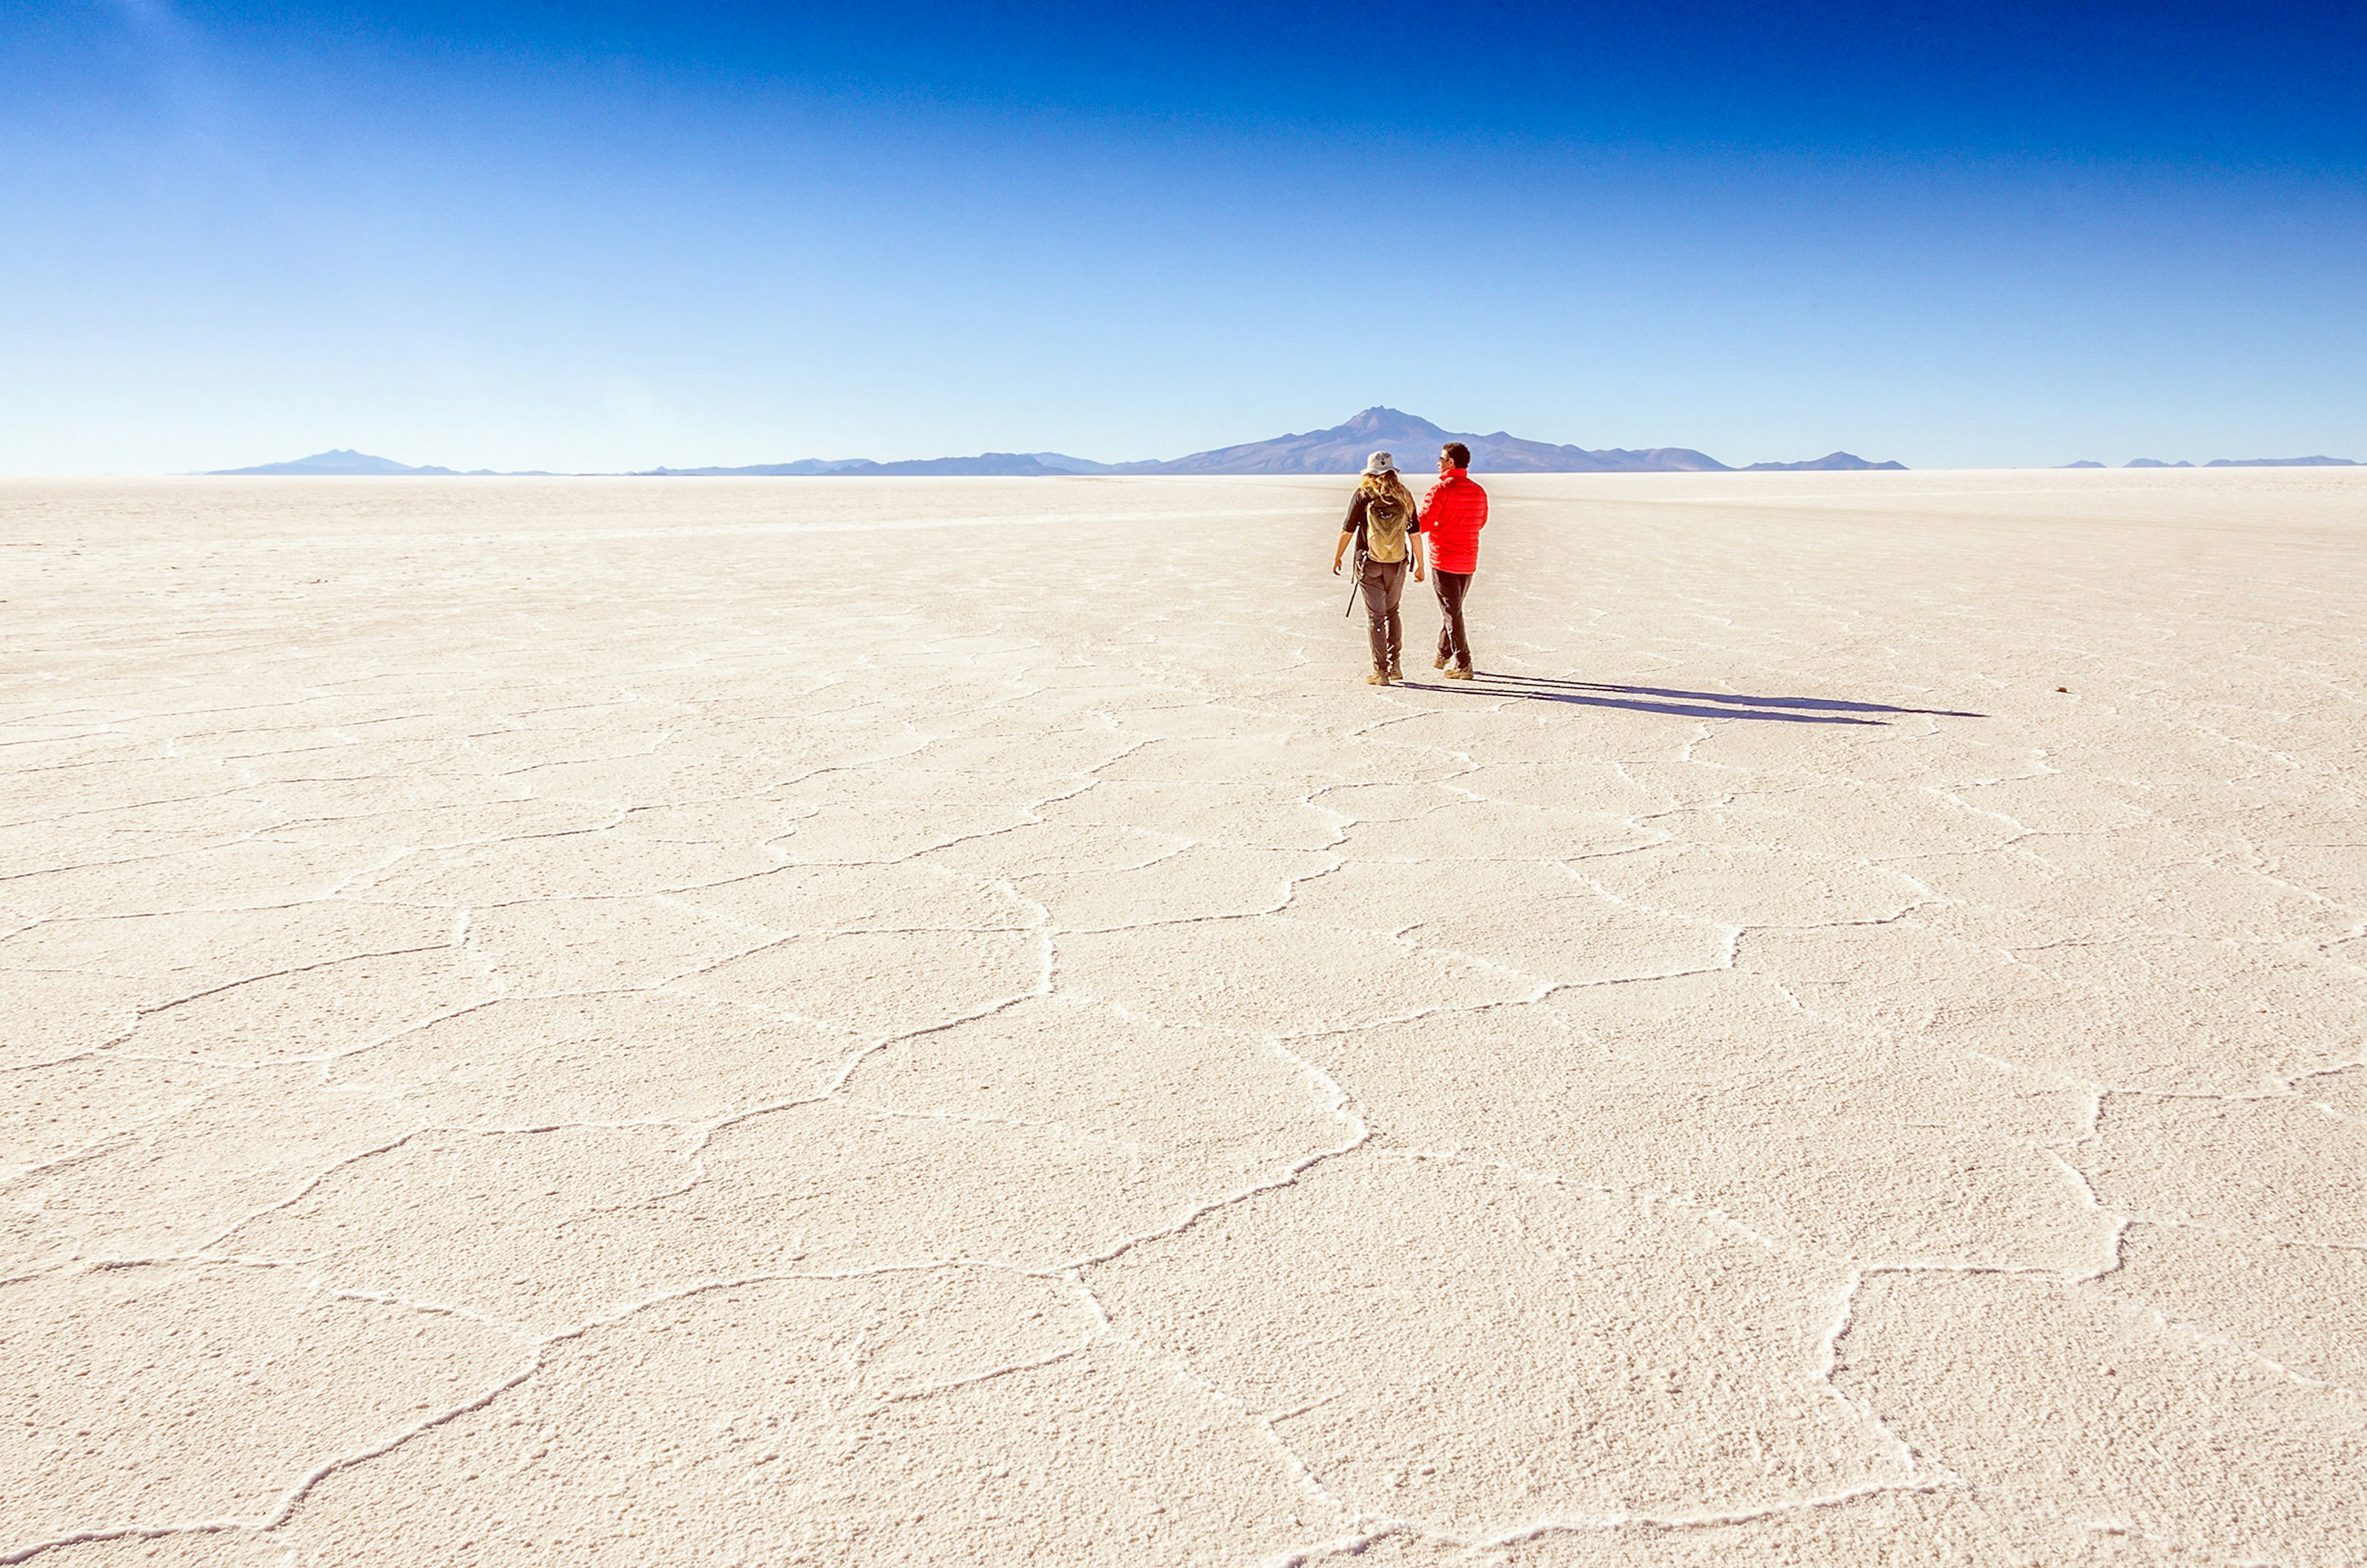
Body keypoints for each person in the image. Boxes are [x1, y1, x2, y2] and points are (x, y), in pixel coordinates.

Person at [1331, 451, 1425, 684]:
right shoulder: (1404, 495)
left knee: (1376, 617)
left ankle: (1380, 672)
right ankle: (1395, 666)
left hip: (1368, 563)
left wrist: (1338, 557)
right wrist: (1420, 565)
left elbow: (1348, 530)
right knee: (1393, 612)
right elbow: (1414, 534)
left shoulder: (1363, 494)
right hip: (1397, 563)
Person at [1420, 441, 1488, 678]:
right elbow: (1481, 522)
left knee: (1452, 612)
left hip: (1445, 559)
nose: (1438, 463)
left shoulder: (1441, 490)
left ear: (1450, 462)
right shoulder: (1478, 491)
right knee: (1454, 610)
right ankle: (1443, 653)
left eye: (1441, 458)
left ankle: (1463, 664)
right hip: (1468, 559)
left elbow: (1425, 523)